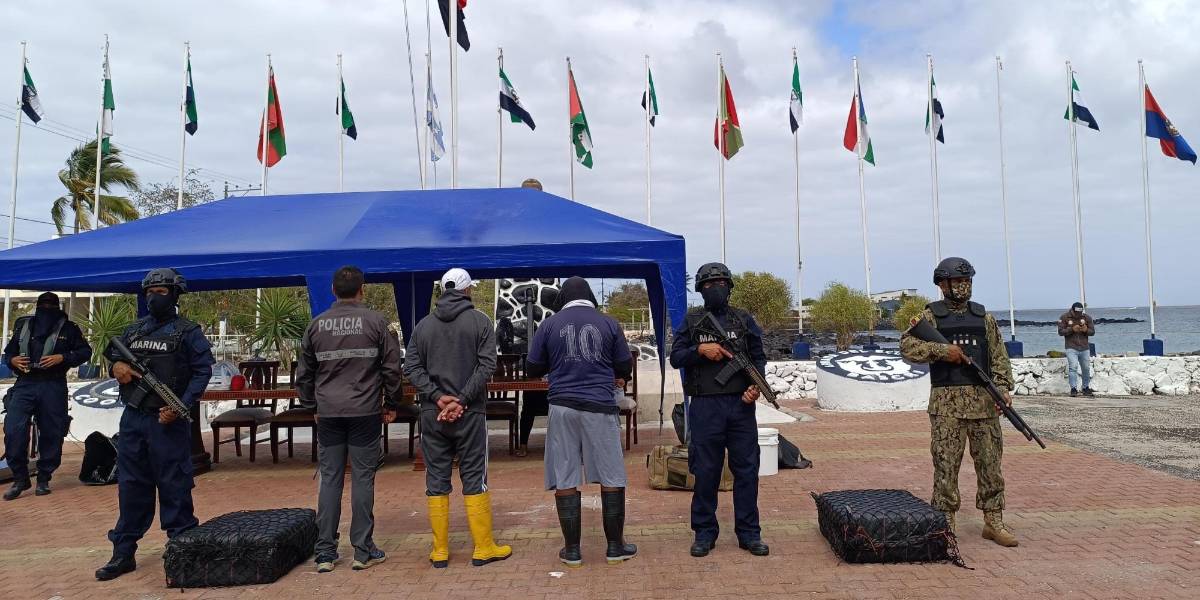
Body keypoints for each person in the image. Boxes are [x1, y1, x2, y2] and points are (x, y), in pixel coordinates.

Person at [95, 268, 215, 581]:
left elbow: (202, 373)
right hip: (134, 418)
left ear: (175, 295)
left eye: (161, 292)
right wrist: (117, 367)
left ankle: (181, 549)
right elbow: (113, 357)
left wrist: (180, 406)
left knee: (174, 484)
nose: (154, 298)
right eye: (150, 292)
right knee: (131, 485)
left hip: (167, 420)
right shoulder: (134, 331)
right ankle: (123, 551)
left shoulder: (189, 332)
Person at [900, 257, 1018, 547]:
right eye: (957, 281)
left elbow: (999, 359)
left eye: (967, 281)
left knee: (991, 465)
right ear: (942, 285)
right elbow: (907, 346)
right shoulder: (929, 317)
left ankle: (993, 522)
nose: (964, 287)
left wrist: (1003, 389)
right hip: (947, 406)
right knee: (946, 466)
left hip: (983, 405)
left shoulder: (984, 318)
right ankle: (945, 523)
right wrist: (943, 351)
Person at [296, 265, 404, 573]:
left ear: (332, 290)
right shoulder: (376, 322)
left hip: (328, 413)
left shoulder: (317, 326)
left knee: (329, 480)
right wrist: (393, 402)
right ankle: (362, 550)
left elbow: (304, 373)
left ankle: (325, 553)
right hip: (365, 412)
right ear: (362, 289)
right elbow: (392, 369)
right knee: (362, 478)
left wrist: (311, 405)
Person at [404, 267, 511, 568]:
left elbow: (411, 368)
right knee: (475, 475)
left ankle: (439, 550)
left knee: (436, 479)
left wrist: (438, 398)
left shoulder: (423, 326)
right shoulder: (480, 322)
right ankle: (483, 546)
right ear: (467, 290)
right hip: (471, 412)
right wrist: (461, 400)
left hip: (432, 414)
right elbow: (487, 366)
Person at [526, 277, 636, 567]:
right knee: (612, 475)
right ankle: (615, 547)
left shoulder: (549, 325)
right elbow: (625, 365)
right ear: (590, 297)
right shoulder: (609, 323)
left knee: (565, 475)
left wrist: (557, 364)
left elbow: (532, 367)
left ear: (563, 298)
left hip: (562, 406)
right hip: (599, 406)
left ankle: (572, 550)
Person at [669, 262, 770, 558]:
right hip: (705, 407)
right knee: (706, 471)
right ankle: (704, 532)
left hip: (740, 406)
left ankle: (749, 533)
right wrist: (699, 351)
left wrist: (756, 387)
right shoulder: (692, 320)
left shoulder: (743, 319)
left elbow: (759, 358)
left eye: (721, 284)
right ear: (701, 290)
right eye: (710, 285)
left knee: (747, 471)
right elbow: (676, 357)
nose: (716, 289)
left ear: (729, 287)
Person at [1, 292, 92, 500]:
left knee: (52, 432)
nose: (47, 310)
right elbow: (9, 353)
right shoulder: (24, 326)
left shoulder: (68, 329)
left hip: (53, 383)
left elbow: (85, 352)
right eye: (44, 305)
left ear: (58, 307)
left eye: (51, 306)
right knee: (14, 429)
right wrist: (13, 360)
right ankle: (20, 478)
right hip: (25, 383)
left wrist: (62, 357)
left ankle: (44, 478)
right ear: (38, 306)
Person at [1058, 302, 1095, 397]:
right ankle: (1073, 388)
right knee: (1073, 367)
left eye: (1080, 313)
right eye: (1077, 313)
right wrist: (1072, 330)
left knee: (1086, 368)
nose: (1078, 315)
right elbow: (1060, 332)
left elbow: (1092, 332)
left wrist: (1086, 330)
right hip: (1071, 347)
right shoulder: (1064, 317)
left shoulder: (1087, 318)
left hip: (1084, 347)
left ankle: (1085, 388)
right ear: (1072, 310)